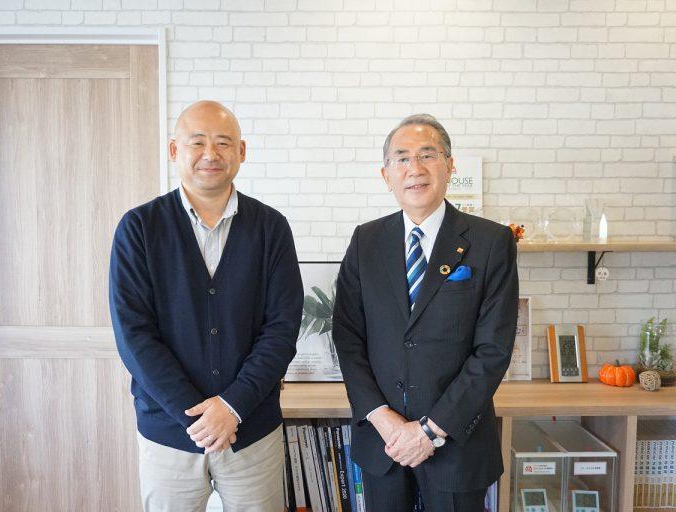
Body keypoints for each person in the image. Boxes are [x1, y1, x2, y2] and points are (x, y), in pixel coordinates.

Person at [109, 100, 303, 512]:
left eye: (223, 143)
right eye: (197, 142)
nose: (210, 154)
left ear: (242, 152)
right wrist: (198, 418)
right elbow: (134, 335)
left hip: (252, 429)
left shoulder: (271, 228)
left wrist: (232, 407)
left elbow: (282, 329)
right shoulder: (139, 228)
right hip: (168, 434)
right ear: (174, 150)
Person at [332, 114, 518, 511]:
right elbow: (347, 338)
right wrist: (385, 420)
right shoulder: (366, 241)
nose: (414, 169)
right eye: (401, 159)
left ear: (450, 166)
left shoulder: (491, 241)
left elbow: (493, 351)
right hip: (384, 443)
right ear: (386, 175)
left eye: (426, 155)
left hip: (456, 447)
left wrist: (429, 432)